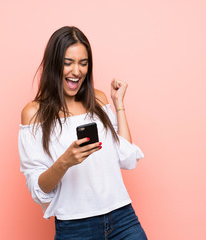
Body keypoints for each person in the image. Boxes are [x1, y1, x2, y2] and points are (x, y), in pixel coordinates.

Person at [18, 26, 147, 239]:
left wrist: (118, 104)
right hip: (76, 228)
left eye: (83, 63)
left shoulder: (98, 99)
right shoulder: (34, 114)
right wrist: (65, 162)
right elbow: (38, 190)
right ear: (53, 65)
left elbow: (126, 157)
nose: (76, 71)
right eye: (68, 63)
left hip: (123, 218)